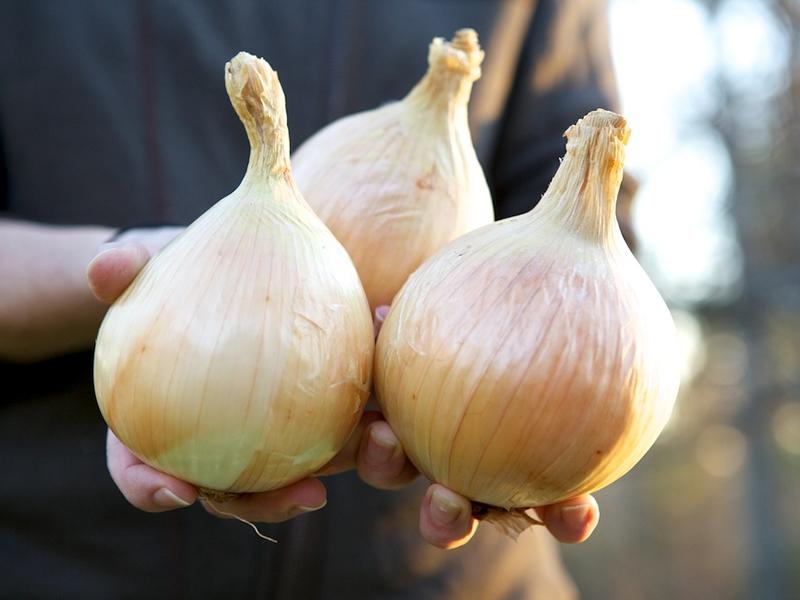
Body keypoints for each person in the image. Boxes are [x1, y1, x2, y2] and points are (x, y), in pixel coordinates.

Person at [0, 1, 627, 597]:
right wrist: (135, 278)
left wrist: (521, 399)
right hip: (74, 559)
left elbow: (581, 286)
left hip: (445, 576)